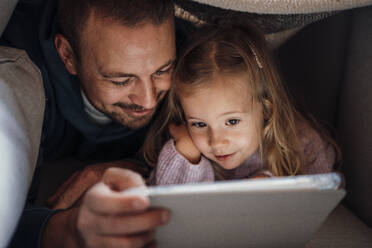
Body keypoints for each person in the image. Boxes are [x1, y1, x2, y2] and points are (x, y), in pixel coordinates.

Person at [0, 0, 176, 247]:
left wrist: (140, 167)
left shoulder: (193, 60)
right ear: (68, 56)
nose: (147, 99)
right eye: (121, 80)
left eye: (162, 70)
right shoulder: (18, 77)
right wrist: (68, 230)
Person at [143, 23, 340, 185]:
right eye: (199, 124)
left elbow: (320, 194)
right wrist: (187, 155)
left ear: (265, 110)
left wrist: (271, 184)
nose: (216, 141)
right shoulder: (186, 146)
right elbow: (171, 207)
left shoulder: (301, 142)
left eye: (232, 121)